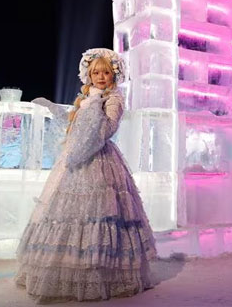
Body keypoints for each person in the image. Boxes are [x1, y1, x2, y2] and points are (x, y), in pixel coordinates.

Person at [15, 48, 157, 303]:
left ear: (113, 74)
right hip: (74, 160)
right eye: (95, 72)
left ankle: (101, 271)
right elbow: (74, 126)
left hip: (100, 160)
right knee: (66, 213)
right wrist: (52, 108)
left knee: (102, 214)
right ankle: (66, 268)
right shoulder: (87, 97)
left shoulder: (112, 98)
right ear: (88, 74)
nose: (100, 77)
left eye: (105, 72)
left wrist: (94, 111)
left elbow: (108, 128)